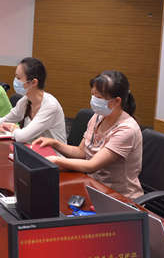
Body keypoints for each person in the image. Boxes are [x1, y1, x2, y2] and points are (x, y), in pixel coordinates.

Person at [32, 70, 143, 199]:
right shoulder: (98, 117)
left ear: (117, 101)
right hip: (94, 187)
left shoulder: (127, 130)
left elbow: (91, 165)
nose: (94, 100)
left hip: (120, 198)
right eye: (93, 95)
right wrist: (54, 143)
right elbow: (82, 152)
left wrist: (57, 160)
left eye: (99, 97)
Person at [0, 57, 66, 143]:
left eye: (18, 78)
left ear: (33, 82)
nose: (15, 81)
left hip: (53, 156)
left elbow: (22, 136)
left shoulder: (50, 106)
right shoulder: (25, 101)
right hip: (32, 150)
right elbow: (3, 120)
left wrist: (13, 128)